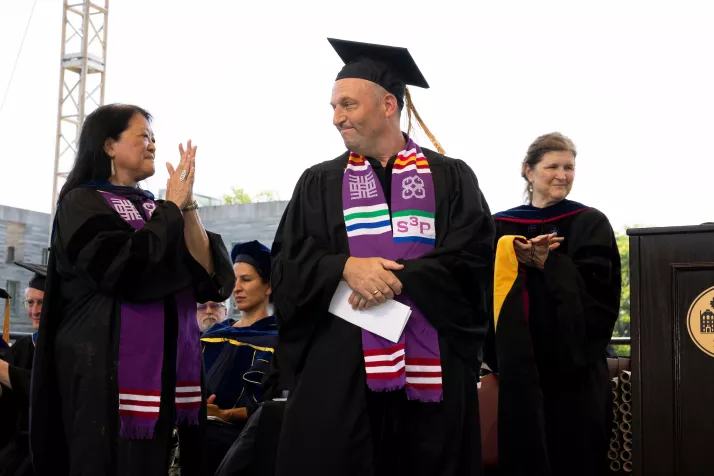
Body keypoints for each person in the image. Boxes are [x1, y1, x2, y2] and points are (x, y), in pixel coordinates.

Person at [271, 38, 494, 476]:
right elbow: (286, 266)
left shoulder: (450, 177)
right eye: (334, 107)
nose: (337, 117)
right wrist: (346, 267)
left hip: (430, 365)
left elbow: (475, 257)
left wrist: (397, 277)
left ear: (388, 104)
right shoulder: (318, 182)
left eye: (348, 105)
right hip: (341, 365)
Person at [30, 104, 235, 476]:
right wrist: (170, 207)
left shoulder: (156, 209)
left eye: (155, 138)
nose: (153, 145)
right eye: (143, 136)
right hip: (108, 373)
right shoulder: (81, 202)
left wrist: (187, 207)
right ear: (109, 145)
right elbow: (126, 269)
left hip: (170, 372)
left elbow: (209, 280)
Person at [483, 132, 621, 476]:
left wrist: (549, 263)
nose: (562, 174)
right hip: (519, 368)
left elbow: (602, 293)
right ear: (528, 171)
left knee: (577, 454)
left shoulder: (589, 222)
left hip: (576, 370)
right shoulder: (500, 226)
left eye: (569, 167)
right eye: (553, 166)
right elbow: (482, 290)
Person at [200, 240, 279, 476]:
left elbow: (275, 405)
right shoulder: (213, 334)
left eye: (246, 280)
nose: (236, 288)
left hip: (242, 446)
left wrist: (224, 415)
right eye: (234, 281)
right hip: (193, 433)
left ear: (269, 286)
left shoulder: (278, 340)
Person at [0, 262, 46, 476]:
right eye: (30, 303)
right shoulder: (23, 347)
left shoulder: (66, 351)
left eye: (41, 303)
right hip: (16, 444)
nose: (34, 311)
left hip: (45, 449)